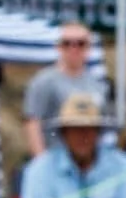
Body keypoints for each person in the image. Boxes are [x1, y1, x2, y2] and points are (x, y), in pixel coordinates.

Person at [21, 23, 109, 159]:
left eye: (80, 43)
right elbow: (33, 122)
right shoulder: (44, 81)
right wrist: (41, 162)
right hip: (55, 159)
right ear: (58, 47)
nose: (74, 48)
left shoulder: (97, 84)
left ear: (89, 47)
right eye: (67, 43)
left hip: (88, 163)